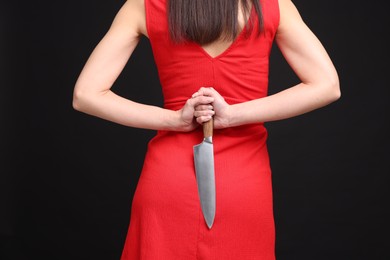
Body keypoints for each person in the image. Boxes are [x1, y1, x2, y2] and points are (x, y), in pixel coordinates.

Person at [72, 0, 340, 259]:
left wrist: (175, 120)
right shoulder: (273, 5)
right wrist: (233, 115)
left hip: (169, 179)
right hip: (243, 182)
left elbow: (86, 94)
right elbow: (327, 85)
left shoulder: (143, 5)